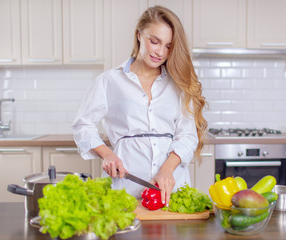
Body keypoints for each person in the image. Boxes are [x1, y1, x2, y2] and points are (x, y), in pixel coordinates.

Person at [71, 6, 207, 206]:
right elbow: (82, 125)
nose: (160, 52)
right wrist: (107, 154)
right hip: (124, 187)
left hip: (172, 186)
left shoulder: (178, 83)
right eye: (155, 41)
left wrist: (167, 170)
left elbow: (187, 135)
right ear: (139, 35)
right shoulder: (109, 81)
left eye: (168, 46)